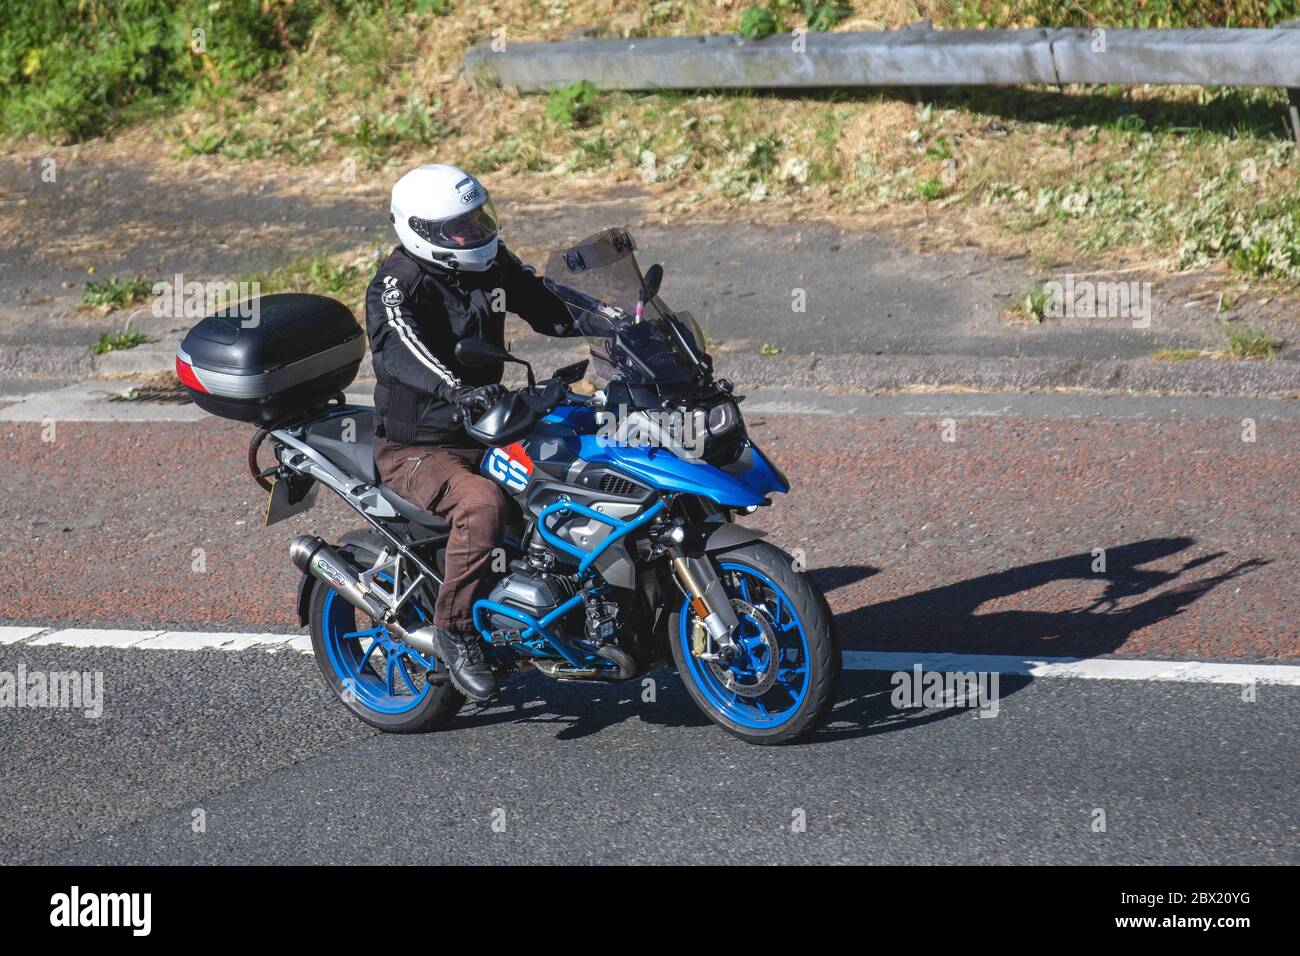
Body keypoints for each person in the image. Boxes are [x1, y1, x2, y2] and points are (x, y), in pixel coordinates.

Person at [364, 163, 578, 701]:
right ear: (422, 231)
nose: (473, 235)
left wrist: (615, 317)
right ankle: (455, 631)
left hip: (489, 424)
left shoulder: (489, 262)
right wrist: (458, 389)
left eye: (477, 220)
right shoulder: (398, 284)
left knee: (582, 460)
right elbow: (401, 348)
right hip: (419, 447)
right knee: (482, 506)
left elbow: (546, 305)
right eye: (457, 228)